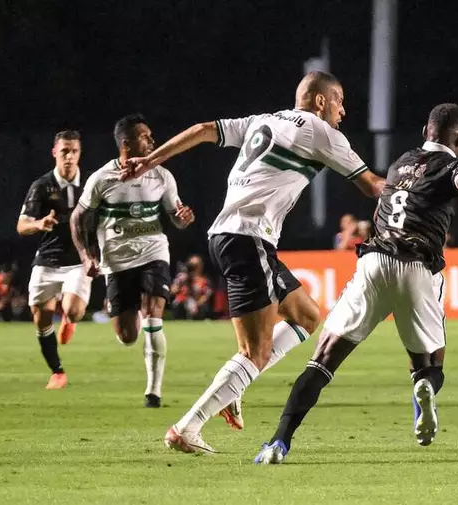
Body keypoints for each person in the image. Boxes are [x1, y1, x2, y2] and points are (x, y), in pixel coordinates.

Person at [254, 103, 458, 464]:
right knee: (430, 367)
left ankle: (278, 442)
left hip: (374, 261)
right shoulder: (455, 166)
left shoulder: (401, 163)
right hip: (418, 268)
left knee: (322, 362)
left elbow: (384, 206)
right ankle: (422, 385)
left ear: (426, 130)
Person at [121, 71, 385, 453]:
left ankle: (234, 386)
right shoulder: (321, 132)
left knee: (308, 316)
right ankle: (186, 427)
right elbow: (372, 185)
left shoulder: (265, 119)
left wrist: (151, 161)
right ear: (320, 100)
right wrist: (423, 184)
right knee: (255, 353)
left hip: (229, 235)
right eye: (340, 100)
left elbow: (203, 129)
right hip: (249, 238)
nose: (344, 110)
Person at [70, 113, 195, 408]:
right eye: (145, 137)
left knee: (154, 315)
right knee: (127, 336)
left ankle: (153, 392)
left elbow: (176, 217)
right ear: (126, 144)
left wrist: (182, 219)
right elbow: (78, 217)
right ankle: (127, 313)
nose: (152, 140)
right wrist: (87, 257)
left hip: (154, 253)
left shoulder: (162, 175)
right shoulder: (102, 179)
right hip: (116, 261)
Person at [16, 130, 92, 390]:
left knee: (73, 309)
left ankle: (70, 320)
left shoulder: (91, 185)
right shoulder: (42, 185)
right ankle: (57, 372)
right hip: (47, 260)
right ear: (54, 153)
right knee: (41, 318)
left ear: (80, 153)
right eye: (64, 152)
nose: (69, 157)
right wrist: (40, 223)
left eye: (74, 151)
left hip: (78, 261)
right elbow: (21, 225)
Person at [170, 255, 214, 321]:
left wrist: (197, 303)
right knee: (177, 304)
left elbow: (207, 295)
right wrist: (181, 283)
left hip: (197, 305)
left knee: (201, 307)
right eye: (193, 265)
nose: (195, 267)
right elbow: (172, 291)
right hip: (181, 305)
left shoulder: (205, 280)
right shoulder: (182, 277)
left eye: (197, 265)